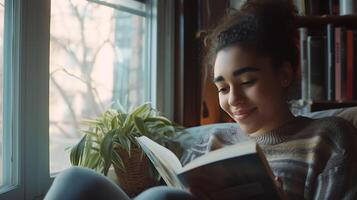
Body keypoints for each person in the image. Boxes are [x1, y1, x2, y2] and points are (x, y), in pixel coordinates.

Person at [45, 0, 357, 199]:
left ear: (284, 74)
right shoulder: (212, 143)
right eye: (222, 88)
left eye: (247, 81)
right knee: (75, 179)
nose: (233, 99)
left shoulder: (329, 137)